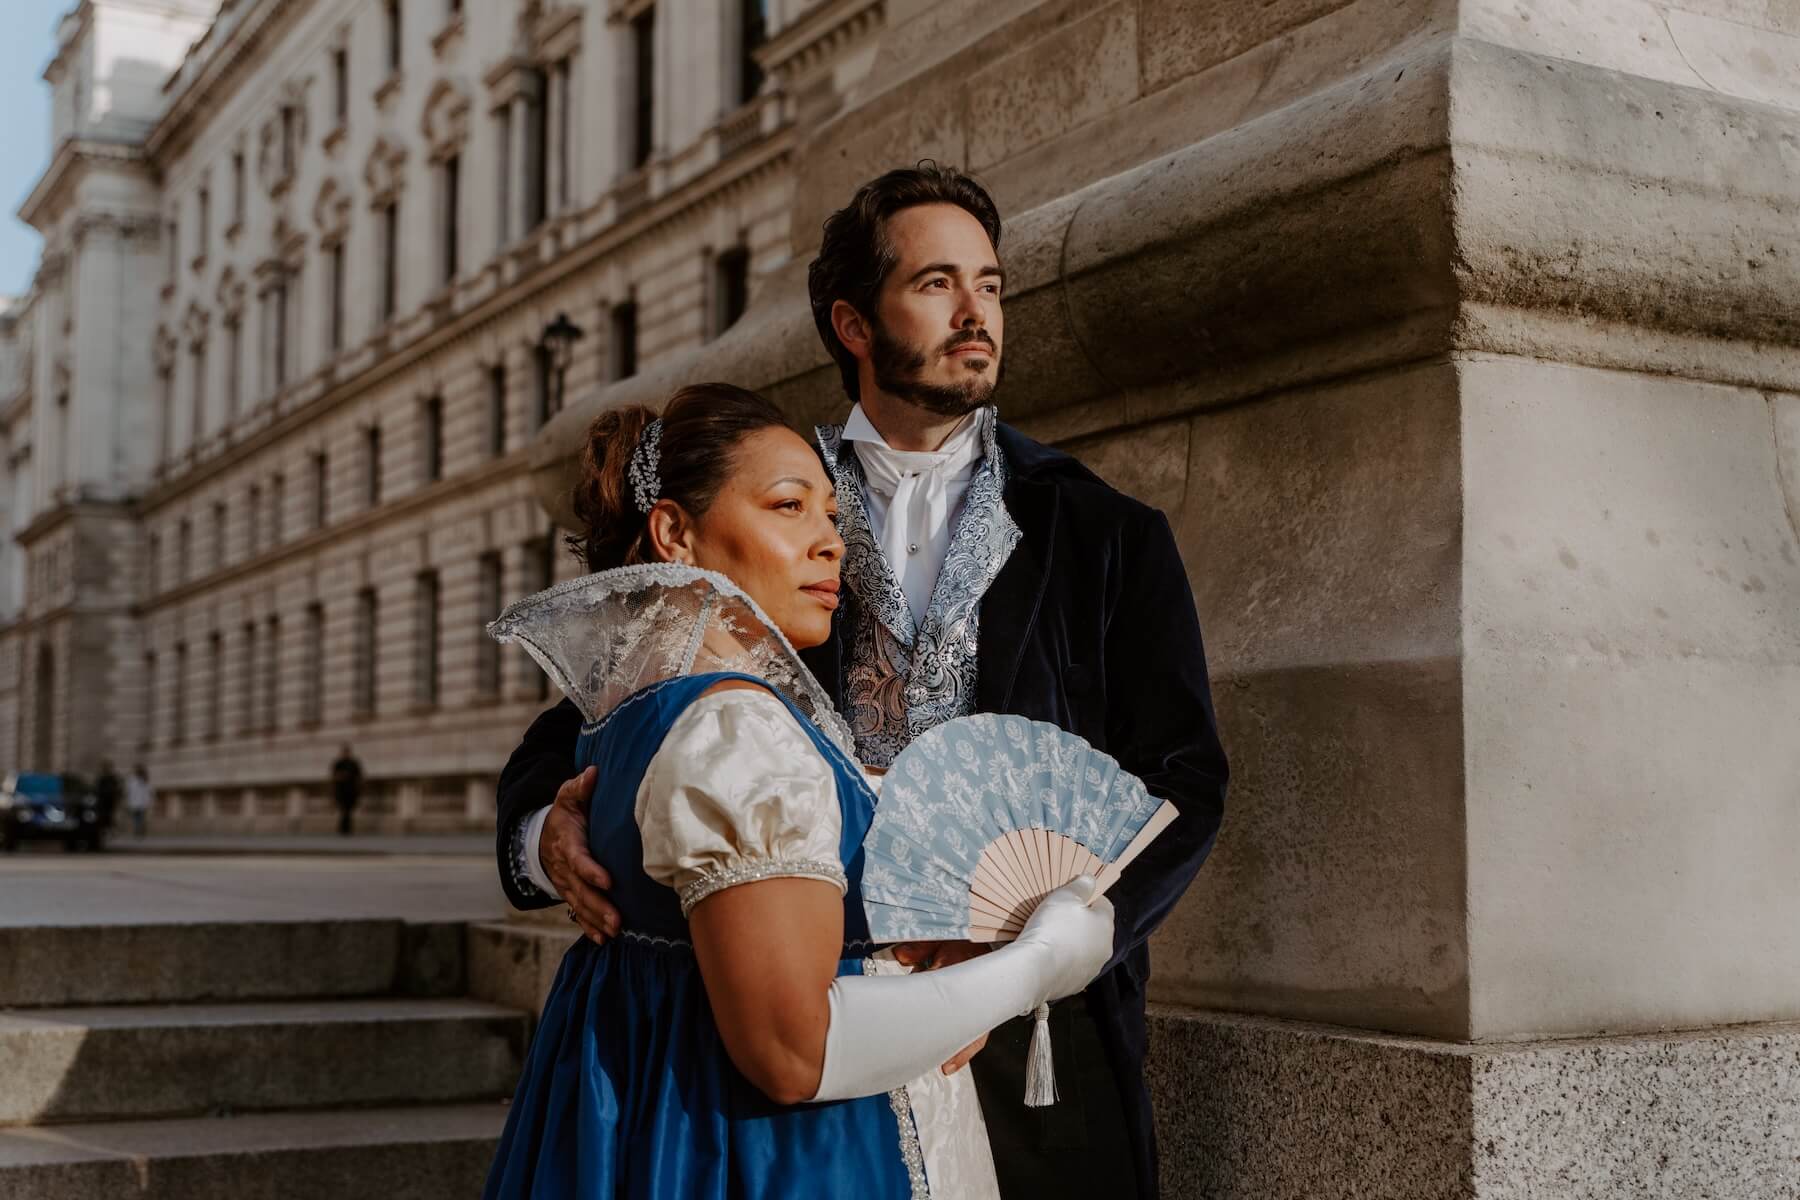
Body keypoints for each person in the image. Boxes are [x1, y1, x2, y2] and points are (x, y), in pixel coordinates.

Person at [497, 164, 1229, 1199]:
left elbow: (1182, 782)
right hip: (801, 1039)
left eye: (991, 283)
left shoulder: (1107, 533)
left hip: (1045, 1047)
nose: (977, 313)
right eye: (936, 283)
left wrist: (1051, 943)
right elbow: (586, 726)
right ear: (852, 321)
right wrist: (551, 837)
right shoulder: (763, 507)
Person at [482, 384, 1116, 1198]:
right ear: (675, 532)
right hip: (792, 1152)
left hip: (644, 1115)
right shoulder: (738, 732)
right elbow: (792, 1051)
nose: (833, 542)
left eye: (828, 511)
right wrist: (1039, 963)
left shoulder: (642, 708)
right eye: (789, 506)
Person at [330, 745, 362, 836]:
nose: (346, 754)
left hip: (351, 791)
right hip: (341, 790)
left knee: (348, 810)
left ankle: (345, 829)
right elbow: (333, 777)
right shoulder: (338, 763)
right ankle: (344, 829)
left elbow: (359, 776)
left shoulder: (353, 763)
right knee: (343, 810)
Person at [92, 761, 122, 839]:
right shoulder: (102, 778)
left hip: (110, 801)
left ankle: (110, 832)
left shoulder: (112, 778)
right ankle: (104, 832)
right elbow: (97, 789)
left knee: (110, 817)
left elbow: (117, 790)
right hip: (103, 802)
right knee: (103, 818)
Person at [125, 764, 153, 839]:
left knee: (140, 818)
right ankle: (138, 832)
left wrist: (148, 802)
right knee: (136, 819)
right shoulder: (132, 780)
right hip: (135, 803)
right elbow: (129, 792)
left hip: (141, 803)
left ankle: (139, 832)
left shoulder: (144, 780)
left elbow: (148, 792)